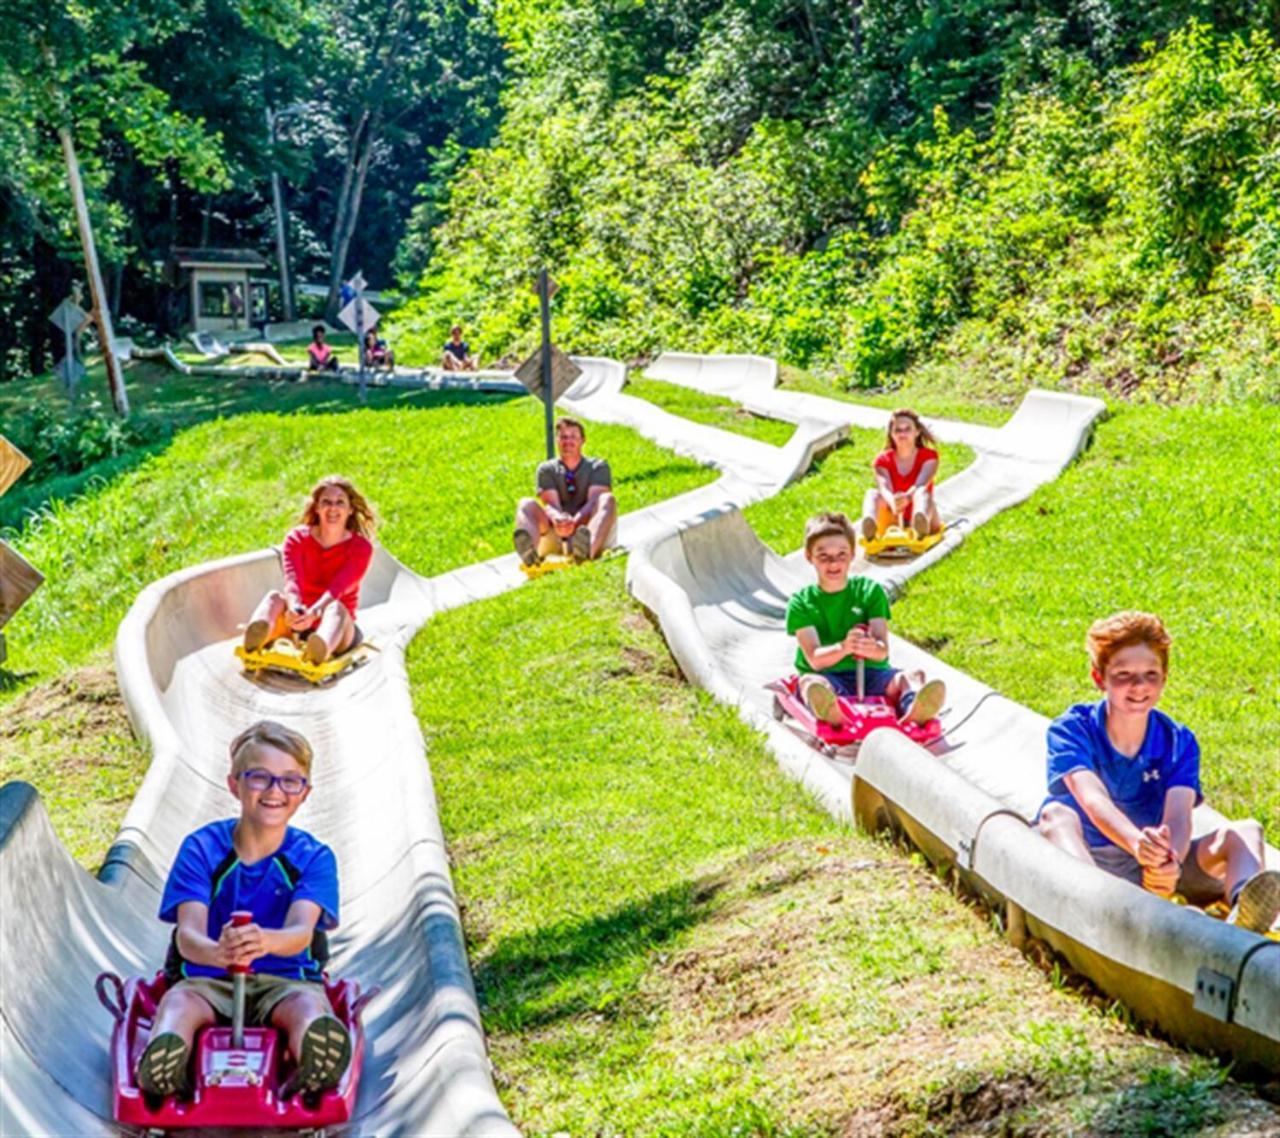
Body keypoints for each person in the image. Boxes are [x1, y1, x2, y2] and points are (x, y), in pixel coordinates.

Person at [134, 721, 351, 1100]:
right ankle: (168, 1054)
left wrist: (263, 941)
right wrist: (220, 952)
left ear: (304, 793)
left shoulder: (313, 857)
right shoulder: (202, 849)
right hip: (207, 977)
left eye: (289, 781)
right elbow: (188, 936)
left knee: (305, 1007)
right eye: (260, 778)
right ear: (235, 784)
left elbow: (301, 932)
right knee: (181, 1003)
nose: (274, 792)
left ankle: (315, 1057)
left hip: (286, 979)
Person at [1037, 611, 1280, 932]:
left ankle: (1243, 919)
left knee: (1246, 831)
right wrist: (1138, 844)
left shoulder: (1178, 740)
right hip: (1091, 856)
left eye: (1150, 674)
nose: (1139, 686)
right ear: (1100, 678)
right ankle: (1091, 909)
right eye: (1123, 674)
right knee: (1055, 815)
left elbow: (1178, 815)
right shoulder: (1073, 729)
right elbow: (1093, 800)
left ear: (1164, 678)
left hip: (1151, 863)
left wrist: (1170, 863)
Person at [785, 511, 946, 727]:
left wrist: (869, 647)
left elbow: (882, 652)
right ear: (808, 556)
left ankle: (914, 708)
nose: (833, 563)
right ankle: (832, 711)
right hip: (827, 674)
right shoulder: (802, 602)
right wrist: (845, 647)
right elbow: (814, 658)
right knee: (811, 683)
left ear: (852, 554)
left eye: (841, 554)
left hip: (872, 673)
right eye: (823, 556)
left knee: (913, 676)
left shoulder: (869, 592)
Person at [243, 476, 375, 665]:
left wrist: (315, 612)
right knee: (274, 598)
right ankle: (256, 635)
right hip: (299, 621)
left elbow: (338, 588)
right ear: (317, 508)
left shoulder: (360, 548)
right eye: (326, 502)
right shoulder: (297, 539)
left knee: (336, 609)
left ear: (350, 510)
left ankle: (319, 649)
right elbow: (292, 580)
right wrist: (295, 609)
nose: (333, 508)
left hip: (337, 628)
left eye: (340, 502)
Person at [513, 417, 617, 566]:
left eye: (573, 437)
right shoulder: (546, 469)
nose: (568, 441)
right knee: (525, 504)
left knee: (607, 499)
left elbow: (594, 500)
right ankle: (530, 556)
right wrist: (559, 520)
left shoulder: (598, 467)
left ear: (583, 440)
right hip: (557, 531)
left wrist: (574, 523)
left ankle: (585, 553)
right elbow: (550, 504)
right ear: (557, 440)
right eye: (563, 437)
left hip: (587, 528)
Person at [860, 408, 941, 542]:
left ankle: (920, 525)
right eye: (898, 430)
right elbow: (884, 487)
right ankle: (869, 528)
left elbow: (921, 482)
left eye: (907, 429)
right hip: (894, 516)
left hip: (925, 513)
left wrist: (908, 497)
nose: (902, 434)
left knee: (921, 492)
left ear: (917, 432)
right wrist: (894, 502)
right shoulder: (883, 460)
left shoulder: (929, 457)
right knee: (872, 494)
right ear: (891, 434)